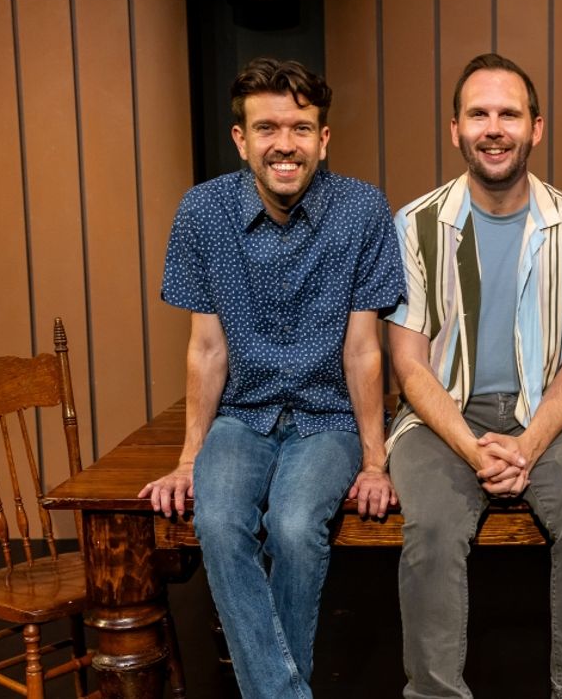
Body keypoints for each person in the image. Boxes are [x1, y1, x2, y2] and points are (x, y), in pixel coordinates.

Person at [138, 57, 404, 699]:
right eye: (267, 128)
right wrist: (188, 458)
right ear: (241, 139)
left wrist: (374, 461)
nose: (285, 144)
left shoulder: (363, 209)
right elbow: (206, 349)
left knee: (292, 525)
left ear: (323, 137)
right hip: (243, 415)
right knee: (220, 520)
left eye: (301, 128)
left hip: (328, 418)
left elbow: (365, 350)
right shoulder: (202, 212)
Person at [385, 53, 562, 699]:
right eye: (478, 113)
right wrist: (474, 448)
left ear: (536, 128)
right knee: (430, 527)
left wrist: (527, 446)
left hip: (549, 413)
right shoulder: (415, 225)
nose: (494, 127)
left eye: (509, 114)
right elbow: (409, 362)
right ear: (454, 128)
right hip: (442, 416)